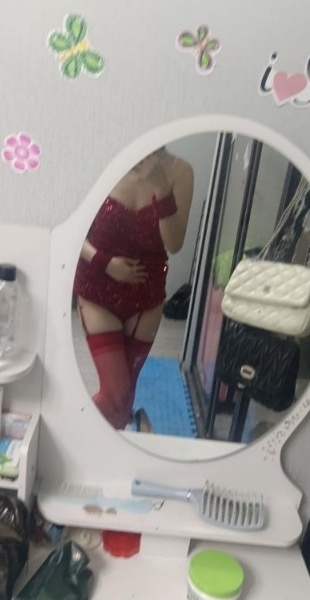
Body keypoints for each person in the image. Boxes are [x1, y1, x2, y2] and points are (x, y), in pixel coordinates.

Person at [74, 147, 194, 430]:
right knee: (115, 393)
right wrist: (104, 262)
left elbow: (174, 244)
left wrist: (161, 189)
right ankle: (71, 433)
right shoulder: (102, 158)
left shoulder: (180, 171)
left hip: (146, 297)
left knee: (123, 397)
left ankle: (123, 429)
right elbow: (72, 228)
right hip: (97, 289)